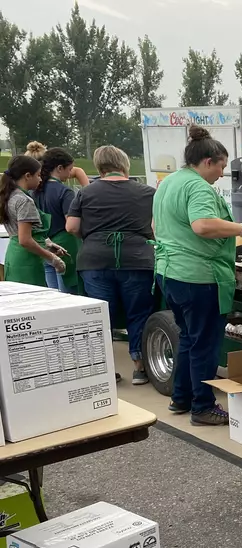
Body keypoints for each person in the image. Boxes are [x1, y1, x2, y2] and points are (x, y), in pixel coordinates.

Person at [153, 125, 242, 425]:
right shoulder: (198, 186)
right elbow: (201, 225)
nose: (222, 174)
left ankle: (181, 397)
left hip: (169, 272)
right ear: (208, 161)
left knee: (188, 337)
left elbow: (156, 225)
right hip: (197, 277)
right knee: (205, 343)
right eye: (222, 166)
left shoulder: (169, 183)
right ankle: (203, 407)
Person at [67, 145, 156, 385]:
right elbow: (157, 228)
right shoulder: (147, 192)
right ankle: (139, 367)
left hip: (95, 261)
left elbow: (72, 227)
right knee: (139, 313)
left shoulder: (85, 193)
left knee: (100, 317)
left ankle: (106, 371)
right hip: (137, 259)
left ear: (100, 167)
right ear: (124, 164)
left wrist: (94, 236)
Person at [0, 155, 67, 286]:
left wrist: (46, 243)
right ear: (27, 176)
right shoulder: (24, 201)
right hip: (26, 260)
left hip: (14, 255)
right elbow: (25, 240)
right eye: (38, 175)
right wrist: (52, 258)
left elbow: (19, 231)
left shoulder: (9, 196)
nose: (40, 179)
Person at [34, 147, 82, 293]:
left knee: (53, 294)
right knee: (68, 292)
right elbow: (71, 224)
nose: (69, 174)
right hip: (65, 245)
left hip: (45, 244)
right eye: (69, 169)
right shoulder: (64, 191)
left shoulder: (35, 190)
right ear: (59, 168)